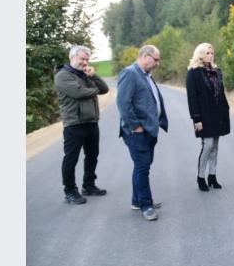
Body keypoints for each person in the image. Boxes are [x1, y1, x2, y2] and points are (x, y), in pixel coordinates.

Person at [117, 45, 169, 221]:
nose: (157, 63)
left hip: (149, 129)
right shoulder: (130, 73)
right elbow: (123, 103)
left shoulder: (146, 75)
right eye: (155, 59)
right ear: (145, 56)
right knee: (142, 167)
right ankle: (146, 206)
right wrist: (135, 126)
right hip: (137, 131)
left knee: (141, 166)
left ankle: (137, 201)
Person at [54, 45, 110, 204]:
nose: (85, 62)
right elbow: (78, 93)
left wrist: (94, 76)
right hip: (74, 123)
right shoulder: (62, 75)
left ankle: (89, 185)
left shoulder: (86, 75)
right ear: (72, 58)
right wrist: (95, 89)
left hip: (91, 122)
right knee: (71, 159)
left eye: (87, 59)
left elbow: (104, 89)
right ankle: (70, 191)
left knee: (92, 156)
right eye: (82, 59)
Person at [186, 43, 231, 191]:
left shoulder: (217, 71)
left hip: (218, 114)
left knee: (216, 146)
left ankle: (212, 176)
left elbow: (221, 93)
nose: (210, 55)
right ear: (200, 54)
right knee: (208, 145)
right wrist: (196, 119)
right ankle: (201, 178)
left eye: (212, 53)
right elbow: (192, 98)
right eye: (207, 53)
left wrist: (226, 110)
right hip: (204, 116)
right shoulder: (193, 72)